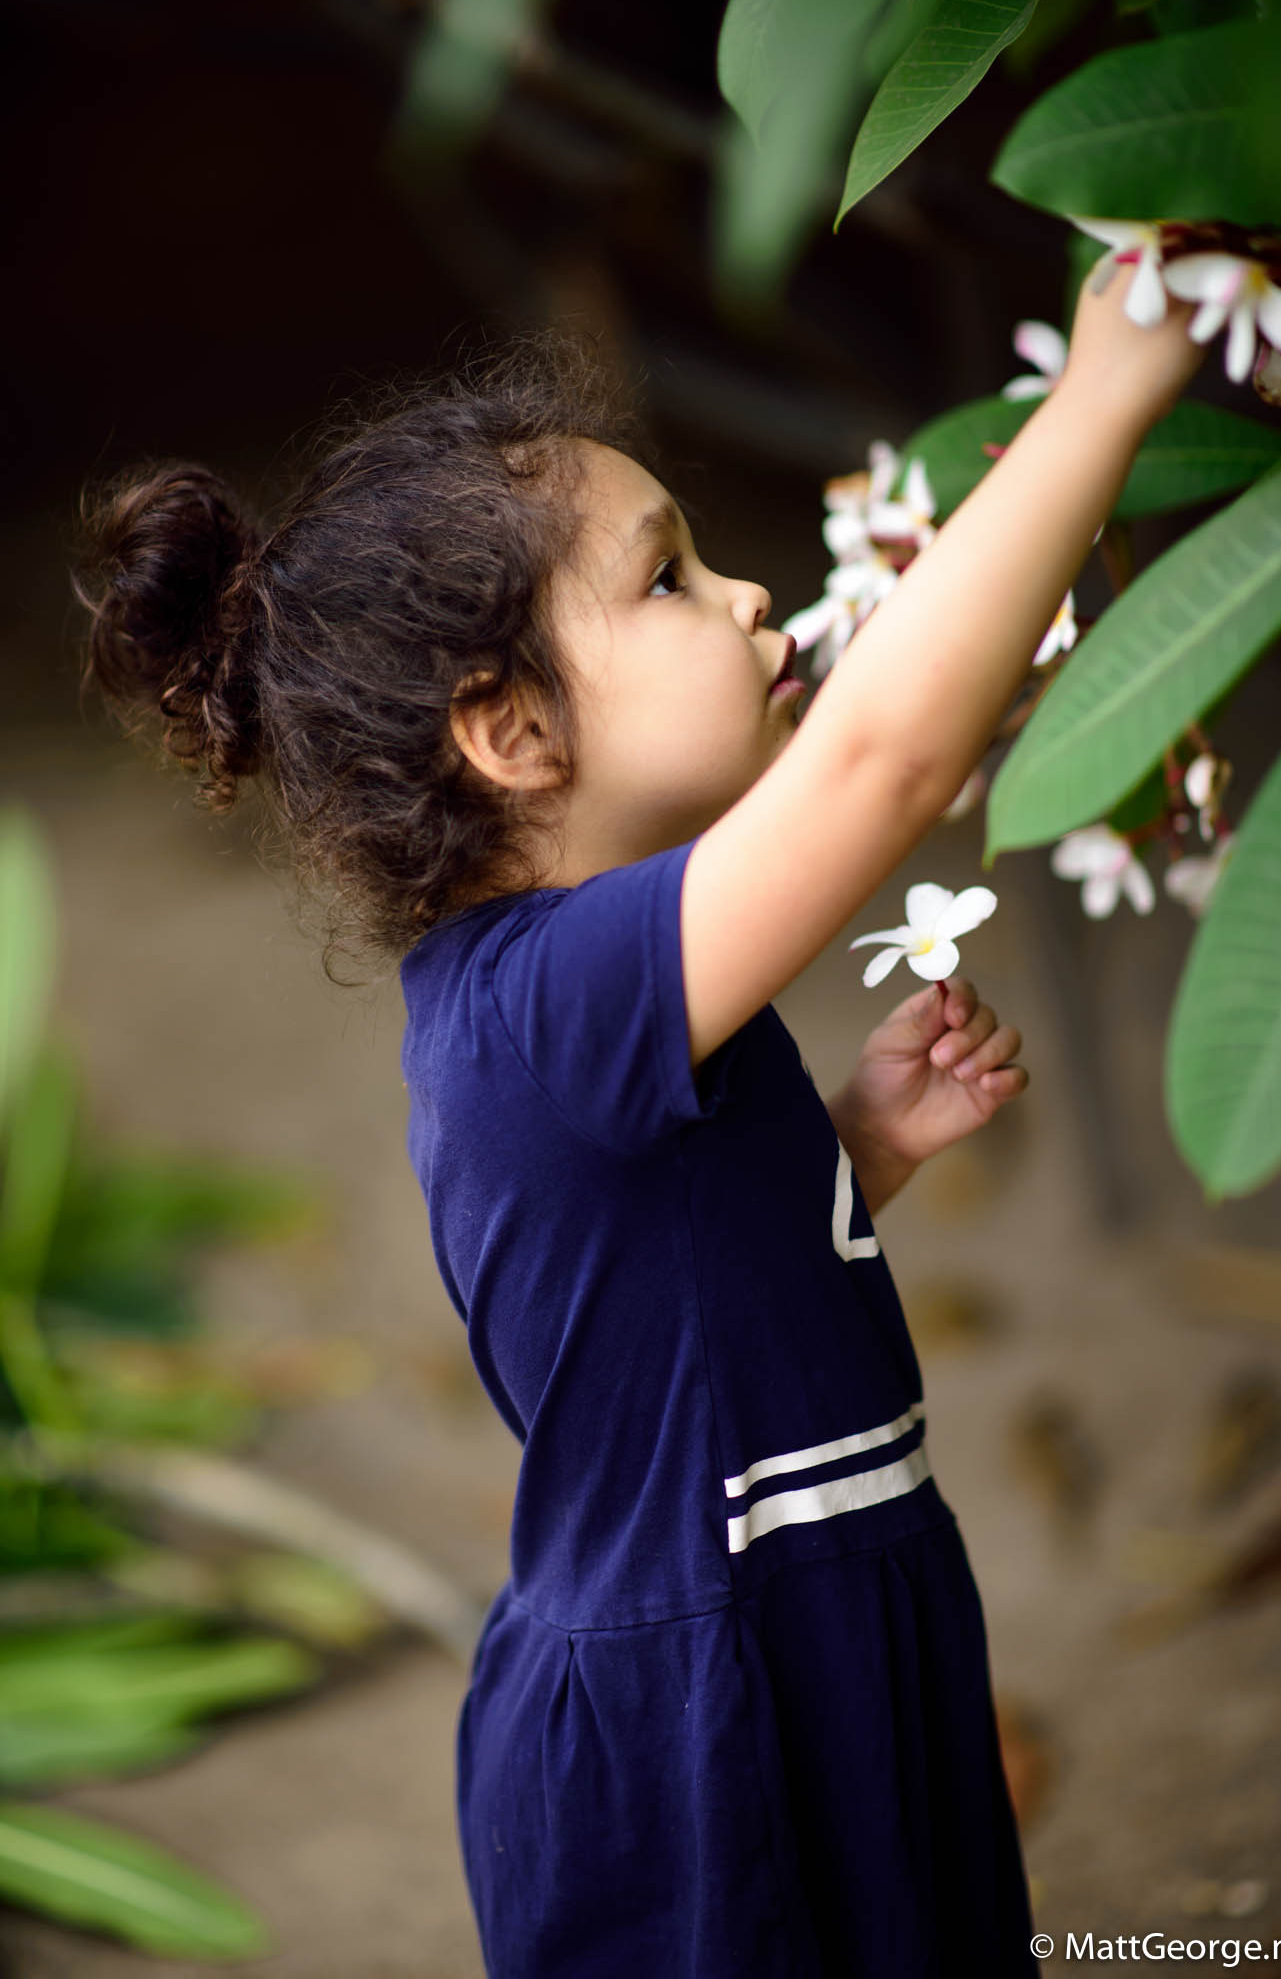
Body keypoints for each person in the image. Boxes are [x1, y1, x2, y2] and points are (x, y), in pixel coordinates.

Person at [74, 260, 1205, 1975]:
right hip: (704, 1713)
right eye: (670, 577)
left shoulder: (609, 1001)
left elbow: (657, 1298)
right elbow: (878, 763)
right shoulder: (553, 995)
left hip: (819, 1614)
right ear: (514, 732)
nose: (752, 593)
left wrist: (857, 1148)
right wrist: (1105, 395)